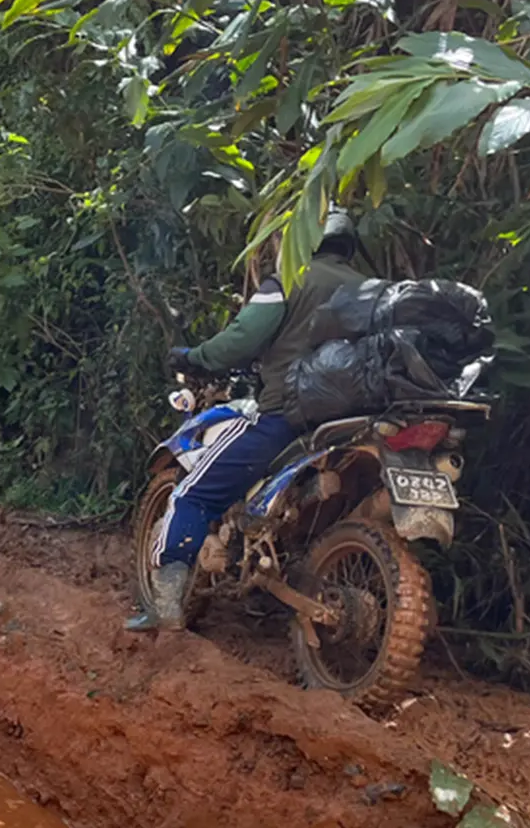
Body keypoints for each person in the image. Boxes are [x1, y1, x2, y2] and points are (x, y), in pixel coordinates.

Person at [126, 210, 368, 632]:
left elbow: (239, 340)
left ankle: (164, 608)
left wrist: (194, 357)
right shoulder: (372, 291)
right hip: (358, 422)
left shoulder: (291, 280)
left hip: (287, 417)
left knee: (192, 496)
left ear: (304, 240)